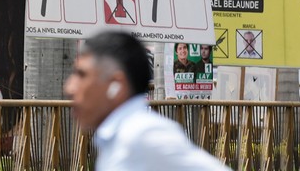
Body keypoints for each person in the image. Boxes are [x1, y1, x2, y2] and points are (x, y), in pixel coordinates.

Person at [64, 31, 230, 170]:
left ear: (116, 85)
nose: (69, 88)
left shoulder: (142, 134)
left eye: (82, 75)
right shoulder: (117, 137)